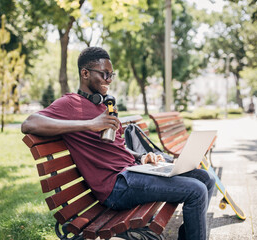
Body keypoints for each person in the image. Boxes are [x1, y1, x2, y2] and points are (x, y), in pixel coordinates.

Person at [21, 47, 215, 240]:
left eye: (111, 74)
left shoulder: (105, 105)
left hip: (133, 173)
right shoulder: (70, 104)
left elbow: (118, 147)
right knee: (196, 191)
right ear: (85, 73)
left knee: (206, 179)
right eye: (104, 74)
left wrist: (141, 157)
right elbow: (29, 123)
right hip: (116, 186)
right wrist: (90, 124)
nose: (109, 80)